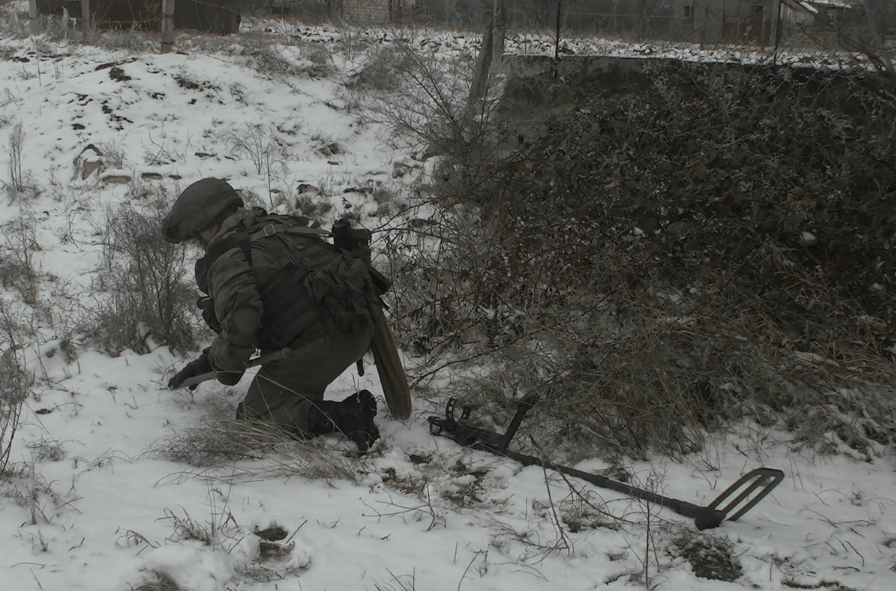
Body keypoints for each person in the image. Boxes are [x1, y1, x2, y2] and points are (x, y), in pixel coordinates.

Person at [163, 177, 380, 451]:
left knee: (257, 420)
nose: (196, 242)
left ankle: (346, 416)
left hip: (322, 342)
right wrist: (207, 362)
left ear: (207, 227)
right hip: (359, 323)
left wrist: (223, 366)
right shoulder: (274, 225)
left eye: (195, 235)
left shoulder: (228, 259)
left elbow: (240, 331)